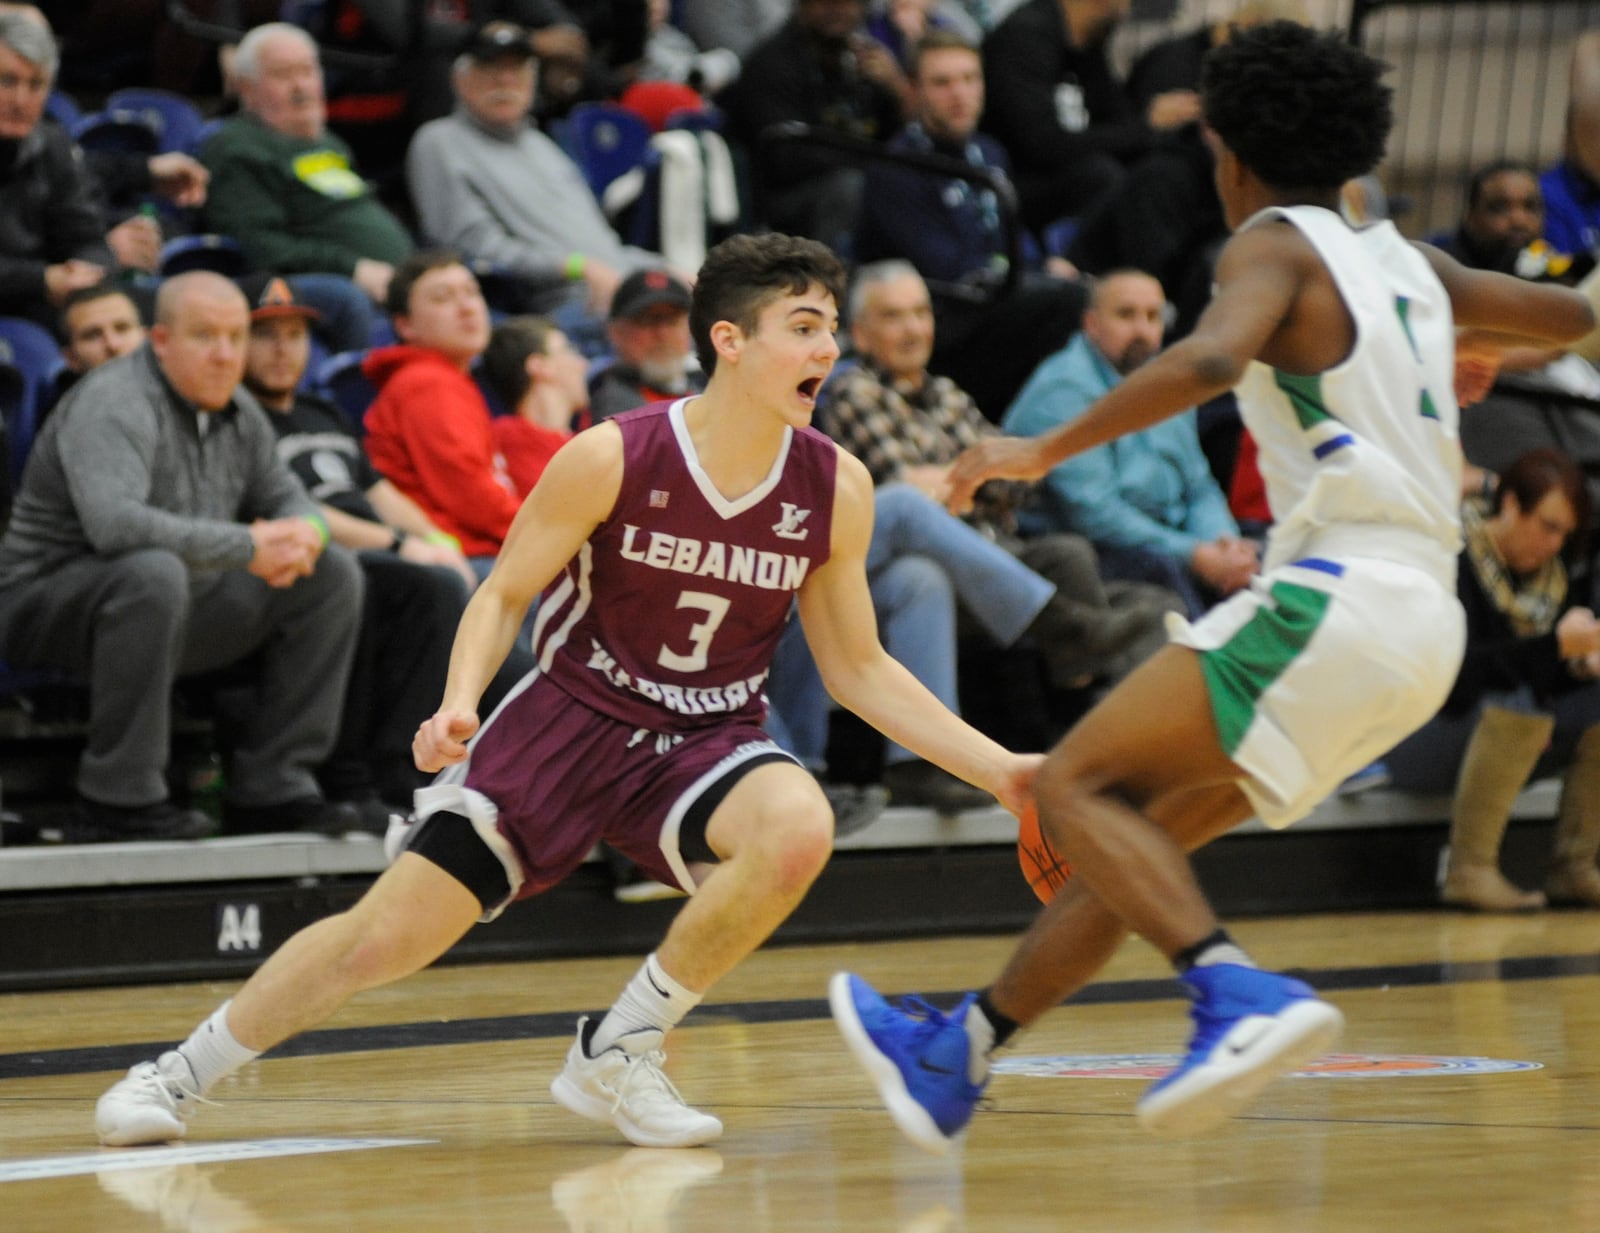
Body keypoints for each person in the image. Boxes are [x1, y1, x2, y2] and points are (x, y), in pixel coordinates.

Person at [92, 231, 1039, 1152]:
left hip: (703, 735)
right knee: (381, 940)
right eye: (804, 325)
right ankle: (176, 1071)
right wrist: (458, 701)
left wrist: (1002, 773)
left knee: (797, 825)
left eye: (832, 326)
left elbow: (858, 667)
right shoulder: (611, 453)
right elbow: (501, 591)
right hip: (568, 719)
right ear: (731, 340)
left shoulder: (837, 485)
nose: (828, 347)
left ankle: (621, 1049)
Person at [829, 21, 1596, 1152]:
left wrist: (1039, 450)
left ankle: (1234, 990)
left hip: (1339, 598)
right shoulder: (1410, 265)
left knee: (1075, 789)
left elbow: (1202, 362)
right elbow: (1576, 316)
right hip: (1420, 624)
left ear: (1229, 154)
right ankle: (959, 1050)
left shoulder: (1271, 247)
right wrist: (1469, 352)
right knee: (1138, 840)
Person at [0, 272, 367, 843]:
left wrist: (308, 535)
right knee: (153, 572)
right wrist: (250, 547)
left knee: (332, 573)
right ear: (161, 340)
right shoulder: (113, 403)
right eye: (205, 337)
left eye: (236, 337)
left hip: (168, 604)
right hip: (43, 609)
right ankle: (116, 798)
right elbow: (115, 527)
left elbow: (289, 497)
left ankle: (274, 785)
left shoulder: (239, 409)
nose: (225, 355)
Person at [239, 273, 530, 818]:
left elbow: (379, 490)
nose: (284, 349)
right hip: (313, 552)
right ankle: (392, 768)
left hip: (378, 547)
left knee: (455, 574)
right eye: (266, 335)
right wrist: (400, 543)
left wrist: (434, 539)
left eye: (296, 335)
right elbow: (291, 510)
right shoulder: (239, 418)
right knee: (423, 584)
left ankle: (528, 762)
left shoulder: (322, 412)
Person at [825, 258, 1172, 680]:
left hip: (1001, 546)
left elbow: (1025, 477)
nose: (913, 329)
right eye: (893, 317)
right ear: (860, 333)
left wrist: (967, 478)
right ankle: (1086, 652)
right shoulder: (854, 393)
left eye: (921, 313)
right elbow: (923, 503)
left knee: (1075, 557)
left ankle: (1085, 687)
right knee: (1124, 605)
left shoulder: (948, 394)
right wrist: (979, 474)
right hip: (933, 561)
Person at [1385, 448, 1600, 911]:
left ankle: (1575, 867)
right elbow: (1456, 677)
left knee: (1593, 703)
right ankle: (1470, 870)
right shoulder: (1449, 557)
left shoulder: (1552, 583)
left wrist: (1579, 666)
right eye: (1547, 525)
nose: (1554, 545)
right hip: (1420, 735)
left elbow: (1541, 677)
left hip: (1505, 738)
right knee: (1518, 701)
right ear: (1509, 506)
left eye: (1565, 533)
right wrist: (1555, 648)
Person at [853, 30, 1090, 416]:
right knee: (1068, 304)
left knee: (1091, 294)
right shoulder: (895, 170)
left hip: (994, 309)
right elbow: (956, 275)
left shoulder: (989, 153)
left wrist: (1045, 267)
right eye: (942, 83)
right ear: (914, 90)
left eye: (969, 79)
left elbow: (1011, 239)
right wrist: (1031, 280)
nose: (959, 94)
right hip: (941, 329)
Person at [1003, 268, 1257, 616]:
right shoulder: (1063, 391)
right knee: (1167, 578)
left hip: (1170, 537)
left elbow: (1198, 486)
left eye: (1153, 316)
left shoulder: (1170, 379)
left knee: (1276, 558)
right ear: (1091, 324)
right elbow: (1096, 514)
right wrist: (1195, 555)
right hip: (1090, 549)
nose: (1142, 330)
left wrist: (1223, 544)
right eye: (1126, 315)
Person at [405, 21, 679, 329]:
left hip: (617, 288)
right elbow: (474, 249)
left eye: (517, 69)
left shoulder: (542, 144)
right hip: (556, 306)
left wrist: (664, 269)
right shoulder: (440, 141)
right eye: (490, 69)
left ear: (532, 80)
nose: (505, 80)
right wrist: (574, 267)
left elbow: (604, 247)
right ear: (460, 80)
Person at [200, 23, 414, 348]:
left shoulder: (329, 143)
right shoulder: (237, 148)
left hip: (393, 280)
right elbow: (261, 246)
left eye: (308, 71)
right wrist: (355, 269)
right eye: (283, 75)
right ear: (246, 88)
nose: (301, 86)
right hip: (332, 287)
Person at [362, 251, 523, 576]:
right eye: (443, 298)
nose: (467, 307)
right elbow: (472, 498)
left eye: (472, 292)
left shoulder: (445, 379)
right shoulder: (428, 383)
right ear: (405, 325)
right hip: (459, 559)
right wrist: (543, 535)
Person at [978, 0, 1200, 234]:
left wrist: (1155, 123)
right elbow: (1042, 144)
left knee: (1163, 166)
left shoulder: (1088, 41)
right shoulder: (1025, 36)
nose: (1130, 5)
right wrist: (1146, 126)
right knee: (1099, 175)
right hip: (1016, 177)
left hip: (1067, 165)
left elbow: (1115, 117)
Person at [719, 0, 908, 247]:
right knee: (849, 187)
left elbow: (901, 143)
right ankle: (830, 279)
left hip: (860, 183)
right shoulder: (771, 64)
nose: (837, 8)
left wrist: (897, 89)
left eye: (849, 3)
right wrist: (868, 162)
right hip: (784, 202)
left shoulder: (870, 65)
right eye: (823, 2)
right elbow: (785, 158)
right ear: (801, 6)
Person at [0, 12, 117, 329]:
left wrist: (86, 271)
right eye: (7, 81)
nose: (21, 100)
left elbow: (87, 235)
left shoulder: (52, 144)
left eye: (36, 84)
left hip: (41, 305)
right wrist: (40, 279)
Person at [589, 268, 706, 422]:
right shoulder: (616, 410)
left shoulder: (705, 387)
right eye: (647, 321)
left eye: (672, 321)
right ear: (615, 332)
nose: (662, 334)